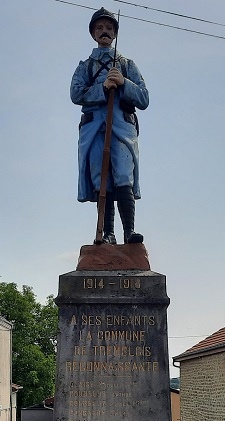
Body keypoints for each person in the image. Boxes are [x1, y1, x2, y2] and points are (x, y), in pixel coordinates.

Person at [71, 7, 149, 245]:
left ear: (115, 33)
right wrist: (103, 87)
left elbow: (144, 98)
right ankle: (107, 233)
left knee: (123, 175)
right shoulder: (85, 66)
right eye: (100, 28)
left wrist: (123, 83)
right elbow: (76, 93)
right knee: (100, 179)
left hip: (122, 129)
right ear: (93, 33)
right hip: (95, 128)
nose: (104, 32)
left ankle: (129, 232)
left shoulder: (127, 65)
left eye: (108, 28)